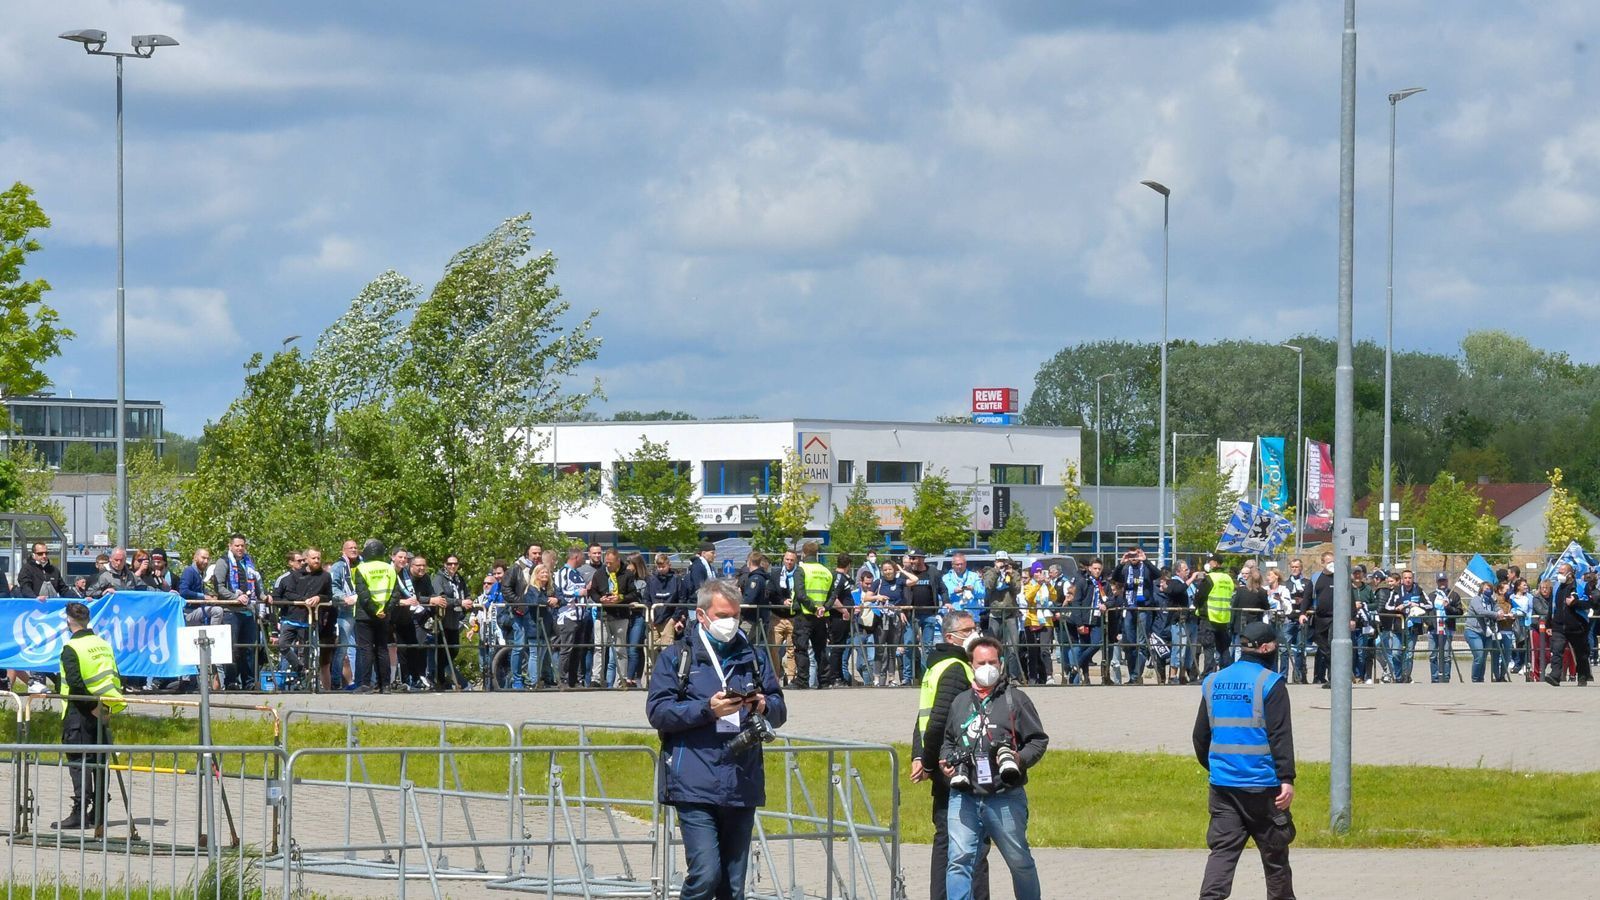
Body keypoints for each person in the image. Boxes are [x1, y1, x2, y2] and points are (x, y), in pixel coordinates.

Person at [646, 578, 787, 900]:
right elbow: (659, 712)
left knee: (732, 886)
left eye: (735, 615)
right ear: (701, 615)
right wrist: (707, 709)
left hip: (742, 779)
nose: (731, 623)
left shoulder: (754, 656)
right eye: (723, 615)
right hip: (694, 780)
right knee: (706, 874)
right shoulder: (677, 657)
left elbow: (779, 709)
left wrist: (763, 704)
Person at [1194, 620, 1297, 900]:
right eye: (1275, 646)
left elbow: (1200, 737)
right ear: (1265, 648)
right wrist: (1286, 778)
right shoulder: (1270, 683)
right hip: (1263, 788)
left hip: (1223, 787)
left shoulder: (1213, 680)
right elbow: (1280, 735)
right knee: (1275, 856)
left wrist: (1218, 766)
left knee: (1222, 853)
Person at [939, 635, 1047, 900]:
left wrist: (1017, 759)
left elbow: (1038, 740)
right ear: (971, 665)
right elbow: (949, 741)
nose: (987, 667)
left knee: (1019, 861)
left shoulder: (1016, 700)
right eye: (981, 662)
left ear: (1000, 665)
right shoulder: (961, 701)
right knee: (958, 861)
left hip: (1004, 796)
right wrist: (947, 763)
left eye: (992, 662)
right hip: (964, 795)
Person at [911, 610, 990, 900]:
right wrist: (930, 763)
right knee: (971, 844)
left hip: (943, 762)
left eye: (975, 628)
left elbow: (923, 717)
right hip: (956, 767)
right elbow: (937, 721)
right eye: (968, 630)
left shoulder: (937, 666)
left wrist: (919, 755)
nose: (975, 634)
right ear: (950, 637)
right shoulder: (956, 668)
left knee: (946, 840)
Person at [54, 601, 126, 830]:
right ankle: (99, 812)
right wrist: (106, 707)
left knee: (79, 762)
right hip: (104, 709)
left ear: (68, 621)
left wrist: (91, 707)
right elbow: (114, 677)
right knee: (99, 762)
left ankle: (80, 812)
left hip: (80, 711)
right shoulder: (103, 644)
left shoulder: (71, 648)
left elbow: (75, 684)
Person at [352, 539, 400, 693]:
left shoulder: (361, 568)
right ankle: (385, 685)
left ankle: (366, 684)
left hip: (365, 614)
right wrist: (384, 610)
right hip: (384, 614)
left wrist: (374, 610)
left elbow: (363, 594)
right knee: (382, 649)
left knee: (366, 649)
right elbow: (395, 593)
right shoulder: (389, 569)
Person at [790, 541, 835, 689]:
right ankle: (824, 681)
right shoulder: (826, 571)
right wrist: (824, 607)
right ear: (817, 554)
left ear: (803, 553)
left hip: (805, 615)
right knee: (820, 649)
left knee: (801, 648)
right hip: (822, 617)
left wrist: (814, 608)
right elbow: (832, 595)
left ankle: (802, 681)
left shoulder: (801, 569)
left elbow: (801, 594)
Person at [1543, 564, 1593, 687]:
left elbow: (1590, 603)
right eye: (1559, 572)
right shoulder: (1556, 587)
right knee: (1556, 651)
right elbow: (1551, 607)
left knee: (1580, 653)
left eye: (1562, 572)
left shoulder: (1581, 586)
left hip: (1577, 626)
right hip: (1559, 626)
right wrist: (1549, 624)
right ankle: (1555, 676)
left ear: (1570, 574)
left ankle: (1582, 675)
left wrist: (1575, 603)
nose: (1559, 574)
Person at [1197, 556, 1236, 674]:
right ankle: (1227, 672)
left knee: (1208, 646)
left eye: (1210, 562)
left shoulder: (1210, 578)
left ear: (1214, 563)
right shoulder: (1228, 578)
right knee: (1224, 647)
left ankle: (1208, 672)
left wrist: (1196, 604)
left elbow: (1200, 596)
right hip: (1223, 617)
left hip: (1209, 616)